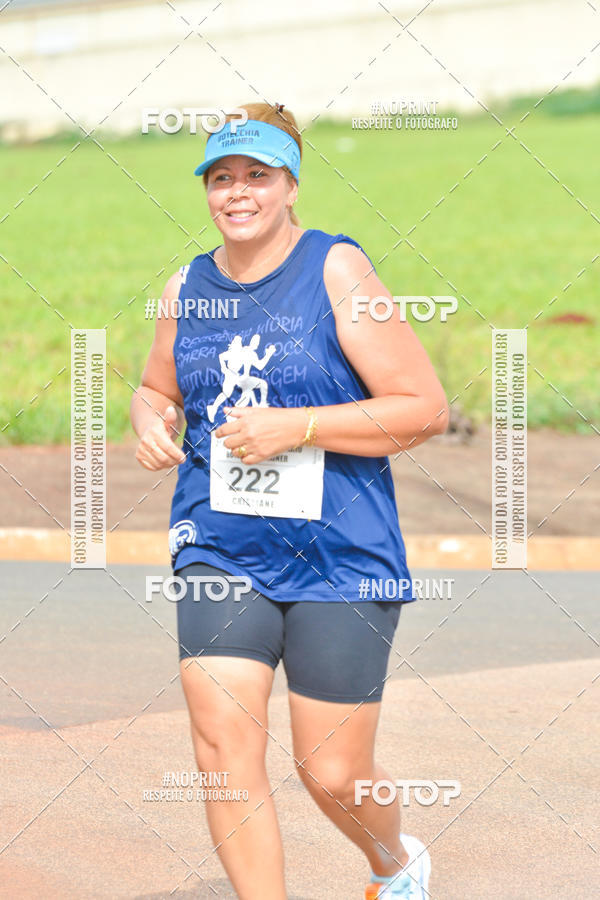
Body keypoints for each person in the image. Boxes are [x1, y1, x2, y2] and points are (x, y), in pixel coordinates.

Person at [131, 101, 449, 899]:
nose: (238, 193)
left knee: (331, 769)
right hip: (219, 543)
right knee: (221, 748)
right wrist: (148, 416)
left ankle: (393, 862)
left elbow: (422, 408)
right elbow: (154, 386)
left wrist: (298, 425)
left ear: (290, 184)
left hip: (340, 554)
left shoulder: (337, 269)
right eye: (222, 178)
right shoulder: (186, 285)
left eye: (257, 177)